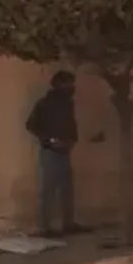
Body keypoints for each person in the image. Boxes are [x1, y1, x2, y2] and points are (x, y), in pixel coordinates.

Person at [26, 70, 91, 237]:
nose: (71, 88)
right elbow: (32, 125)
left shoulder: (67, 104)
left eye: (72, 84)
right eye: (68, 84)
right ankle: (44, 227)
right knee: (48, 189)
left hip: (65, 151)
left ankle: (68, 223)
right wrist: (51, 140)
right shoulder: (45, 104)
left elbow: (71, 125)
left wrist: (72, 140)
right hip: (50, 152)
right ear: (58, 85)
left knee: (67, 189)